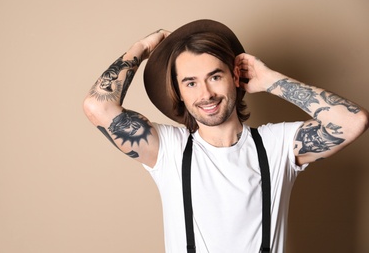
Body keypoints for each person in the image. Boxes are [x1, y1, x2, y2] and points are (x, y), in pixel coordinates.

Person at [83, 19, 368, 253]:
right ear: (179, 92)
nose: (205, 94)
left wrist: (271, 81)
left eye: (215, 76)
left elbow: (353, 121)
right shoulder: (168, 149)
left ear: (235, 76)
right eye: (191, 82)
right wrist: (143, 47)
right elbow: (98, 106)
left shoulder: (276, 144)